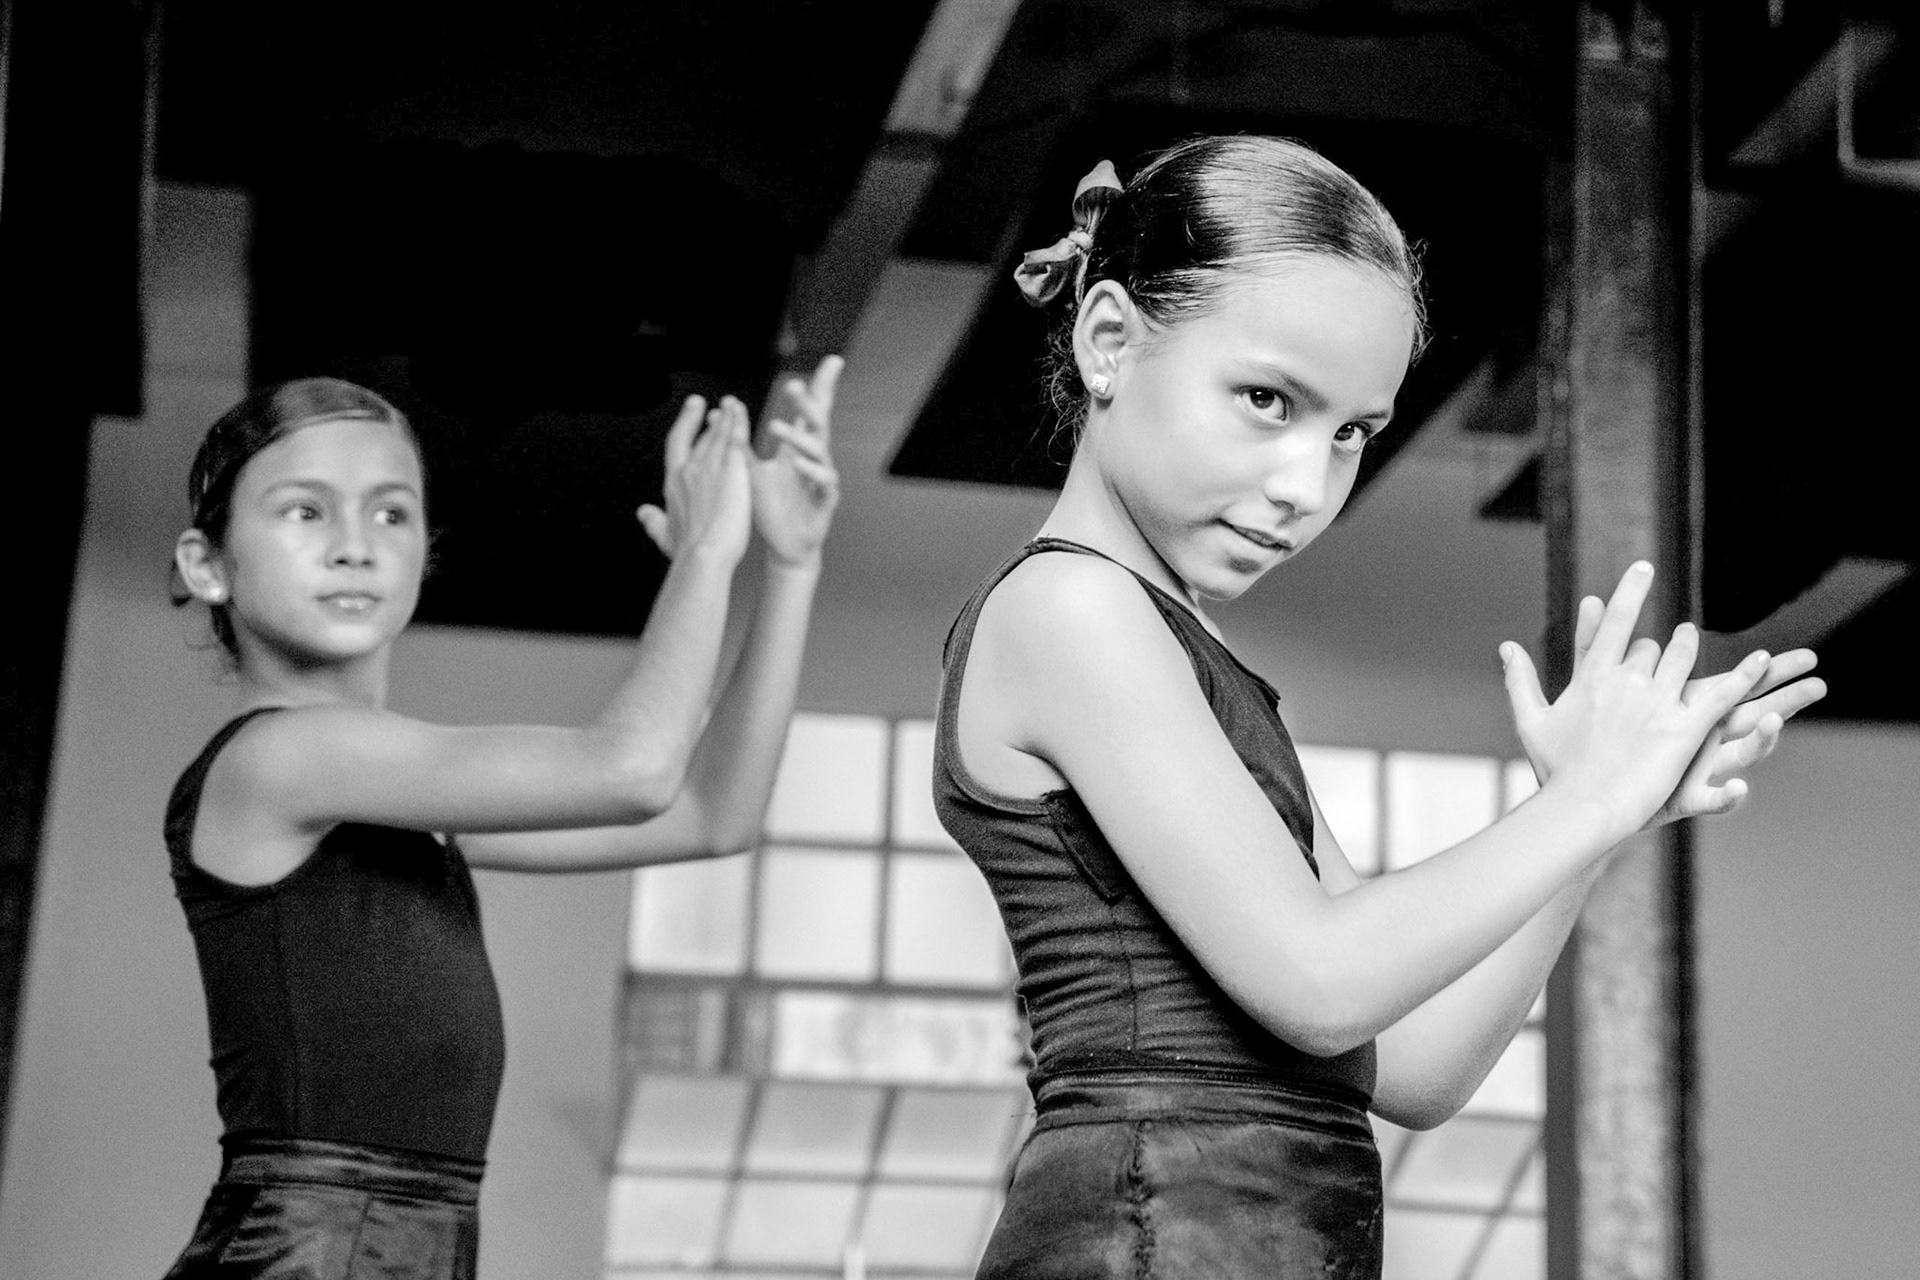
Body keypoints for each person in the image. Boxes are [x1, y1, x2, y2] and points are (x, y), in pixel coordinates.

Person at [931, 136, 1826, 1279]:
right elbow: (1322, 979)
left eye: (1351, 432)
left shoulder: (1178, 645)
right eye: (1268, 399)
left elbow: (1408, 1065)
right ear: (1109, 340)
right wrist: (1589, 801)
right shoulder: (1070, 608)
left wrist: (1595, 822)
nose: (1308, 485)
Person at [160, 359, 841, 1279]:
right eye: (305, 511)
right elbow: (631, 770)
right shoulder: (276, 759)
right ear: (207, 565)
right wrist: (707, 557)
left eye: (391, 512)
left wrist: (792, 564)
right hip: (307, 1246)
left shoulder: (408, 808)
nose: (356, 545)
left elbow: (714, 814)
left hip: (416, 1242)